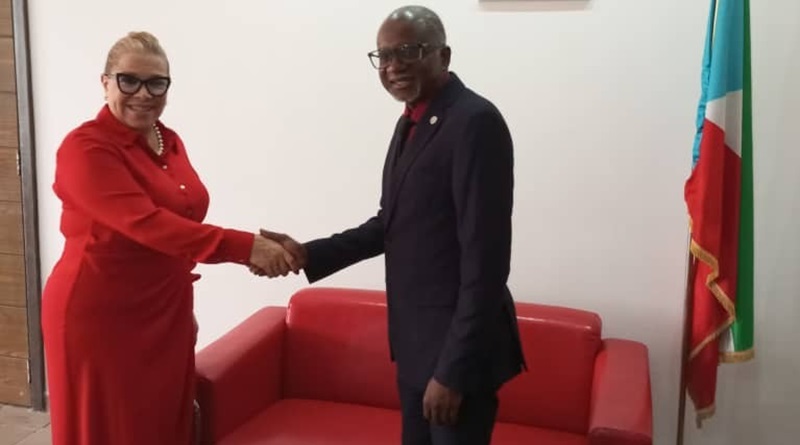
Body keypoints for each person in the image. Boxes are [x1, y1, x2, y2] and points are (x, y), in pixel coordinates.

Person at [259, 6, 526, 444]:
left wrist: (453, 371)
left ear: (443, 55)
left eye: (408, 51)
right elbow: (392, 223)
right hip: (417, 347)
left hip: (456, 358)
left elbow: (487, 263)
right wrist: (309, 253)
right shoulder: (412, 121)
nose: (393, 65)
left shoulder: (475, 122)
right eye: (383, 56)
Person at [40, 31, 296, 445]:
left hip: (164, 309)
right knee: (110, 429)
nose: (144, 94)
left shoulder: (169, 140)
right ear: (105, 82)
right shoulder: (84, 148)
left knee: (161, 424)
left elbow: (182, 221)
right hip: (100, 315)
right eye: (129, 80)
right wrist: (248, 247)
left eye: (156, 83)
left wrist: (180, 304)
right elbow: (149, 225)